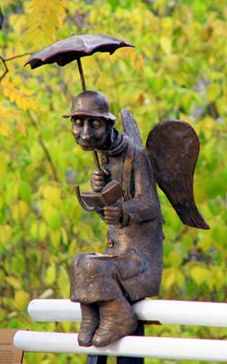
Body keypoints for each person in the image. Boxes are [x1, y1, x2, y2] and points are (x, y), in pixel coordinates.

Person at [67, 90, 163, 348]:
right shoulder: (106, 158)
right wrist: (100, 196)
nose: (85, 134)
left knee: (94, 267)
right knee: (79, 261)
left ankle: (120, 316)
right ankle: (91, 316)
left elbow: (150, 205)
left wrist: (124, 211)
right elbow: (111, 217)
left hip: (141, 262)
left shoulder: (135, 155)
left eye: (94, 124)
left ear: (109, 124)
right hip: (120, 255)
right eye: (78, 124)